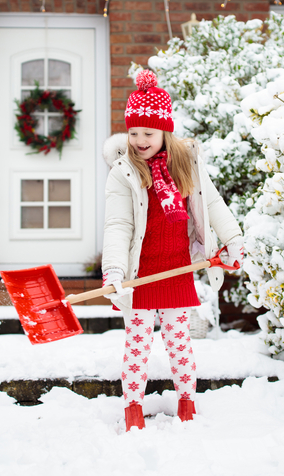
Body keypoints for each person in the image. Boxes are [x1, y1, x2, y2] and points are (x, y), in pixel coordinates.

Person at [101, 69, 243, 432]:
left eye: (147, 132)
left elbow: (212, 204)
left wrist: (233, 239)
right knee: (137, 345)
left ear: (165, 131)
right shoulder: (124, 173)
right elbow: (118, 226)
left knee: (179, 342)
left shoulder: (187, 166)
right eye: (133, 132)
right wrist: (115, 271)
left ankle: (186, 402)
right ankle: (133, 408)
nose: (139, 140)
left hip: (177, 269)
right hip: (141, 274)